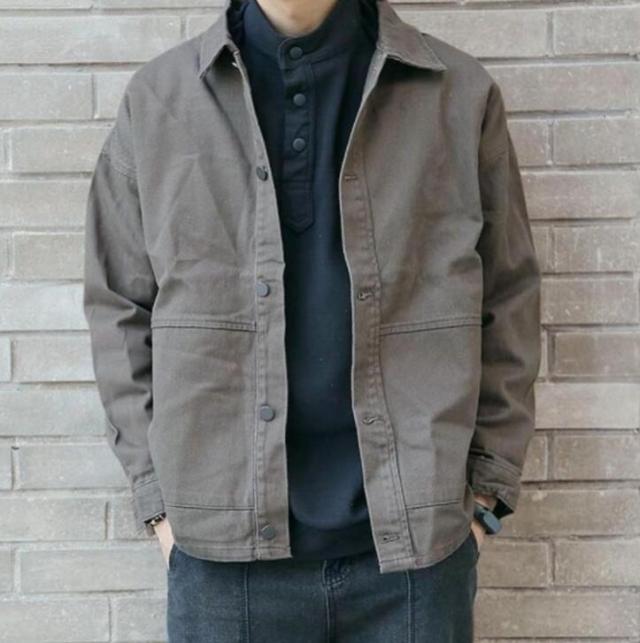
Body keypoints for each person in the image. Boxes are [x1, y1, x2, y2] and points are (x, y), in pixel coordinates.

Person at [82, 0, 541, 640]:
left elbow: (509, 296)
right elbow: (118, 305)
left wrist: (486, 496)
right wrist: (159, 505)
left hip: (417, 561)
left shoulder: (456, 94)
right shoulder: (160, 100)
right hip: (222, 565)